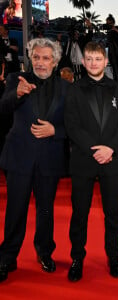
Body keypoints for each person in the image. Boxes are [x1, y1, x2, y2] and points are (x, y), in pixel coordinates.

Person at [0, 38, 69, 283]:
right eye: (36, 57)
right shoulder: (15, 79)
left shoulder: (66, 87)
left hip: (49, 157)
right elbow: (2, 108)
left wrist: (56, 130)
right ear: (30, 58)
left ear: (56, 61)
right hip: (19, 156)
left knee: (46, 210)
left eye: (46, 58)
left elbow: (74, 124)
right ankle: (7, 257)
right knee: (15, 210)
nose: (40, 62)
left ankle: (44, 252)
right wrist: (16, 95)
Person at [64, 41, 118, 282]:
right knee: (79, 214)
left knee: (113, 213)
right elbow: (72, 125)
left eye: (98, 59)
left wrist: (110, 148)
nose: (93, 63)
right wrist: (95, 150)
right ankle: (77, 258)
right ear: (83, 62)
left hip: (112, 159)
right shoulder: (74, 89)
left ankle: (113, 257)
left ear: (105, 61)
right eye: (89, 59)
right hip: (84, 160)